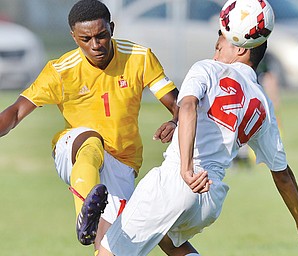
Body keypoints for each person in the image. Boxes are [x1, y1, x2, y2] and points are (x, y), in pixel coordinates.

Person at [97, 28, 298, 256]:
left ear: (240, 47)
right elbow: (282, 174)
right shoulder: (263, 103)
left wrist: (186, 170)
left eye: (219, 45)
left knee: (108, 251)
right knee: (169, 241)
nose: (216, 49)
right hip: (210, 198)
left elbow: (188, 105)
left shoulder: (207, 68)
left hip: (180, 180)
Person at [0, 0, 179, 253]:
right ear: (74, 37)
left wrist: (174, 120)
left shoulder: (139, 58)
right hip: (73, 153)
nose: (95, 45)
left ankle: (94, 221)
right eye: (86, 39)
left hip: (123, 164)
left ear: (112, 28)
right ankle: (85, 211)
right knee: (90, 138)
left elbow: (178, 105)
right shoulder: (61, 71)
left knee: (111, 247)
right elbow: (16, 111)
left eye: (101, 36)